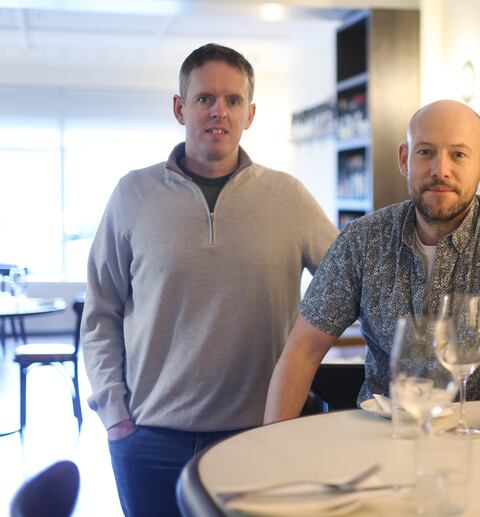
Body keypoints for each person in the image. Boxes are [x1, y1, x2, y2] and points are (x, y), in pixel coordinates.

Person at [81, 43, 337, 517]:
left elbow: (351, 283)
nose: (219, 111)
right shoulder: (132, 194)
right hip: (149, 438)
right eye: (204, 99)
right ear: (180, 108)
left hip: (260, 433)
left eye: (233, 100)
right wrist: (114, 415)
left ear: (251, 113)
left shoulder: (289, 198)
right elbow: (100, 311)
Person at [265, 100, 480, 431]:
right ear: (404, 159)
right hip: (380, 436)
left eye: (458, 154)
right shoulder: (361, 240)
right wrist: (270, 446)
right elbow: (302, 350)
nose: (441, 169)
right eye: (425, 152)